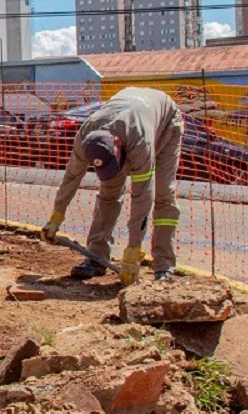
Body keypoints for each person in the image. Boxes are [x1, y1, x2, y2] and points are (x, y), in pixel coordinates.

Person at [40, 87, 183, 282]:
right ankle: (96, 257)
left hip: (165, 124)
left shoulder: (140, 142)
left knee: (163, 194)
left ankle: (163, 265)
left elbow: (142, 199)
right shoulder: (85, 137)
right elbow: (71, 177)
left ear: (117, 144)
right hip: (127, 128)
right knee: (109, 192)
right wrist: (56, 216)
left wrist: (132, 254)